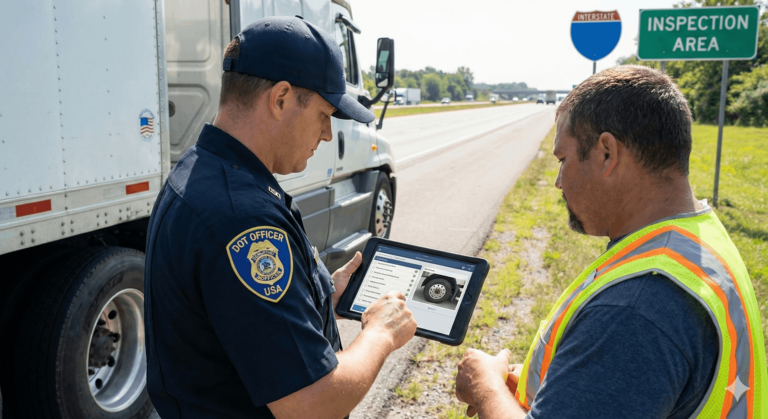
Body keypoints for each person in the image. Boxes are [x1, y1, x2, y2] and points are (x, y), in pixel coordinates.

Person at [455, 65, 767, 418]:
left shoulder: (634, 310)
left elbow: (629, 347)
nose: (559, 181)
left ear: (606, 152)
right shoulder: (697, 237)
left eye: (563, 159)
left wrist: (486, 388)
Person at [144, 16, 417, 419]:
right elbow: (312, 402)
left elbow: (235, 315)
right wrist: (380, 334)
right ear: (281, 98)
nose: (327, 134)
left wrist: (321, 291)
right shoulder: (243, 219)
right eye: (324, 114)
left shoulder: (204, 171)